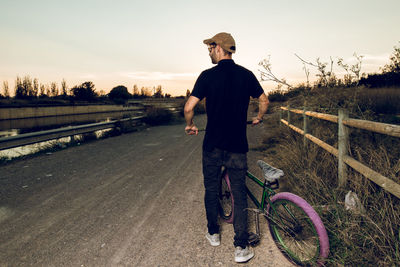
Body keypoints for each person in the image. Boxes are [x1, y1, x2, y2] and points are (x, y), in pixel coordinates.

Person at [184, 32, 269, 263]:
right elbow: (264, 100)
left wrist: (190, 125)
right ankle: (241, 248)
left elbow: (189, 107)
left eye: (210, 48)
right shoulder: (246, 74)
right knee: (239, 194)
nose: (209, 52)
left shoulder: (207, 76)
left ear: (218, 47)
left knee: (211, 189)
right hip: (237, 146)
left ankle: (213, 233)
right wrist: (258, 118)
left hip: (212, 145)